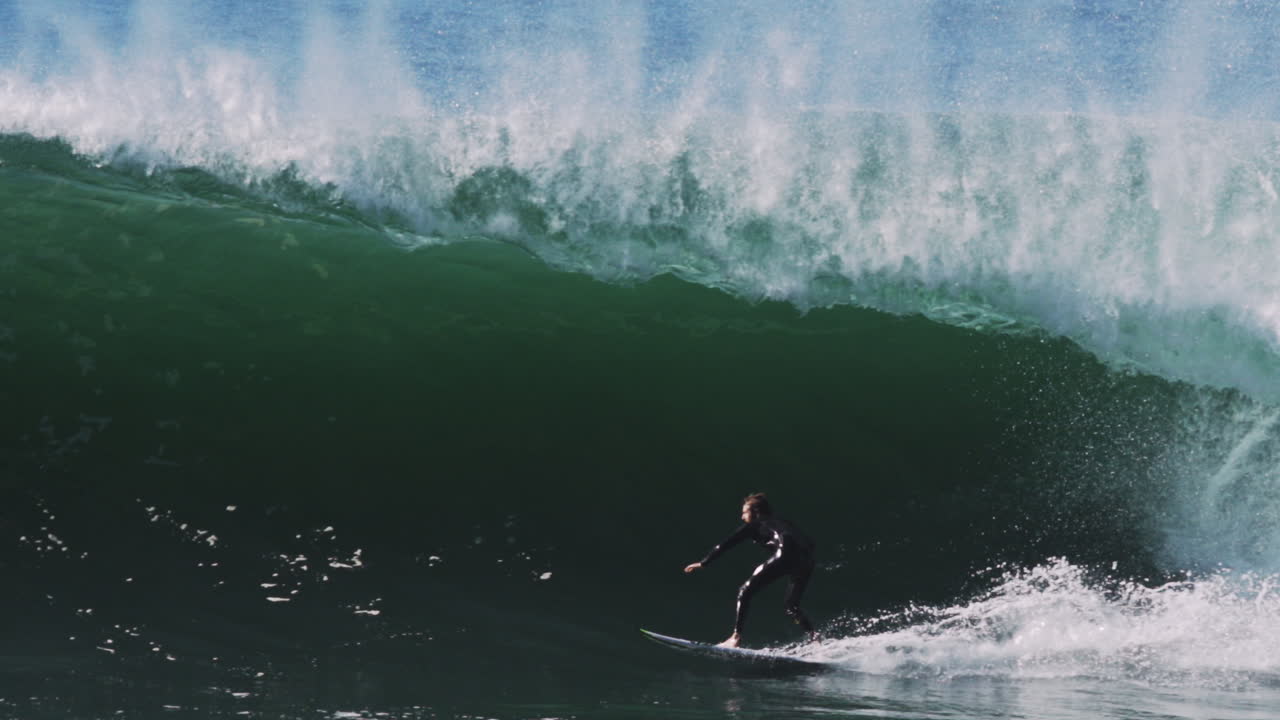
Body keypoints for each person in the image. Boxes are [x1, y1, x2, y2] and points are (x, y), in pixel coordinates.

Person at [684, 492, 817, 647]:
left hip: (786, 553)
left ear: (755, 512)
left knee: (744, 591)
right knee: (791, 606)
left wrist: (704, 562)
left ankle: (735, 637)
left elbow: (726, 544)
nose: (742, 517)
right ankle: (815, 638)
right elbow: (809, 542)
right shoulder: (783, 521)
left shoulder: (755, 525)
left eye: (744, 513)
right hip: (806, 559)